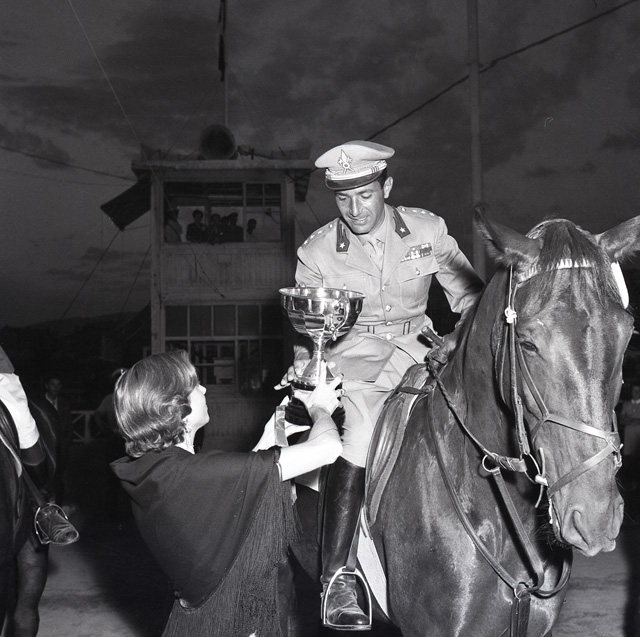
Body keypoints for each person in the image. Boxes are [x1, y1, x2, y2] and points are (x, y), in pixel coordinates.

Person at [284, 140, 483, 629]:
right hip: (357, 360)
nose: (355, 209)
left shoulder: (426, 230)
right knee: (361, 434)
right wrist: (308, 364)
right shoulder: (317, 251)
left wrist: (465, 342)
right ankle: (338, 578)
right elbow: (309, 330)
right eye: (343, 198)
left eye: (365, 195)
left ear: (386, 187)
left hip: (424, 350)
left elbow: (470, 296)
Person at [111, 350, 342, 637]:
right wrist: (320, 408)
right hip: (232, 623)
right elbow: (328, 449)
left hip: (199, 620)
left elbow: (231, 490)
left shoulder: (158, 470)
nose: (204, 389)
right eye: (195, 385)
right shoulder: (195, 473)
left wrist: (273, 430)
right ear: (175, 406)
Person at [44, 375, 73, 505]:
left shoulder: (64, 404)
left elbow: (68, 427)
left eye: (58, 385)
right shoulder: (39, 403)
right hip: (44, 448)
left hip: (60, 448)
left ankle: (59, 506)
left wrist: (66, 446)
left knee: (60, 478)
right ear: (46, 386)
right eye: (52, 384)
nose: (55, 388)